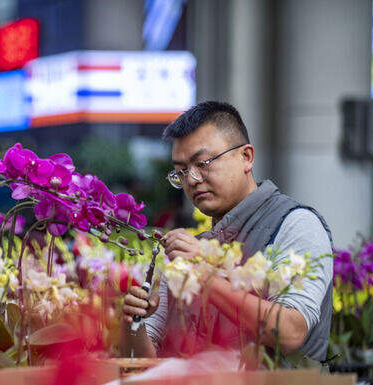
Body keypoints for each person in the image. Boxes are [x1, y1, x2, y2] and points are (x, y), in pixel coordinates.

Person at [121, 101, 334, 363]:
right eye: (181, 171)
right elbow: (146, 361)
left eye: (203, 163)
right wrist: (134, 324)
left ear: (246, 157)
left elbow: (290, 333)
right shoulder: (187, 251)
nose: (192, 180)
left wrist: (204, 273)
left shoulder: (296, 224)